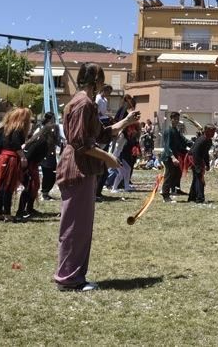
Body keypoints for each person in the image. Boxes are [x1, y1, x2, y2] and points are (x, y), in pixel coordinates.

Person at [54, 63, 140, 292]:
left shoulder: (82, 102)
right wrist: (108, 158)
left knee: (79, 227)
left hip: (81, 167)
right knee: (75, 227)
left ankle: (74, 276)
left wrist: (126, 121)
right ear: (95, 81)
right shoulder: (84, 104)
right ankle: (69, 278)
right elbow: (82, 143)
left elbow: (101, 133)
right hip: (78, 168)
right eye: (101, 80)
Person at [0, 107, 33, 222]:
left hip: (1, 159)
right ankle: (7, 213)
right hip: (10, 160)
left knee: (0, 186)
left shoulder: (4, 129)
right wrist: (22, 157)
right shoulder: (17, 130)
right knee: (8, 187)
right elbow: (16, 144)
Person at [17, 112, 61, 218]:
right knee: (29, 187)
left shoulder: (44, 141)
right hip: (28, 165)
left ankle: (30, 208)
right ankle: (21, 210)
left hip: (33, 164)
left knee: (34, 187)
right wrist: (26, 169)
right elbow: (28, 154)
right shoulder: (41, 141)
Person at [161, 112, 188, 203]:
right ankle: (165, 195)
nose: (176, 121)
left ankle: (175, 190)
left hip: (175, 156)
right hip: (168, 157)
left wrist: (195, 142)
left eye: (177, 119)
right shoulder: (168, 131)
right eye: (175, 119)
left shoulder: (175, 130)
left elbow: (183, 141)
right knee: (169, 175)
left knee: (177, 173)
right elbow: (167, 146)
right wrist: (173, 157)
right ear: (171, 119)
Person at [188, 124, 215, 203]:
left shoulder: (208, 140)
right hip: (194, 159)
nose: (213, 133)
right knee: (199, 179)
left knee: (196, 178)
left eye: (214, 131)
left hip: (198, 159)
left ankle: (192, 197)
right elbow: (195, 153)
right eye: (211, 131)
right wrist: (197, 166)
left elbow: (205, 153)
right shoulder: (202, 140)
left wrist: (207, 164)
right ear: (206, 131)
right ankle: (200, 198)